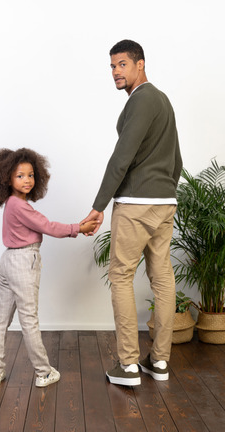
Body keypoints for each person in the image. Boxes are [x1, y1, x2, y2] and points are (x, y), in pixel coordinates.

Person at [81, 40, 182, 386]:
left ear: (140, 64)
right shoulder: (163, 101)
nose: (115, 72)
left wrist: (98, 207)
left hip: (136, 203)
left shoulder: (142, 100)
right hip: (164, 203)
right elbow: (177, 159)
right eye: (112, 66)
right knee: (163, 277)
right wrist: (165, 192)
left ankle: (127, 366)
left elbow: (121, 158)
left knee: (121, 275)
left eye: (122, 64)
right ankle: (161, 361)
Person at [0, 147, 98, 387]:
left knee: (1, 318)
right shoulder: (19, 206)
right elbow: (49, 227)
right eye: (20, 175)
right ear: (6, 178)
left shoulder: (12, 203)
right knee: (29, 319)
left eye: (31, 174)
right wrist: (79, 228)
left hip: (8, 261)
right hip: (23, 261)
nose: (27, 180)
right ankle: (43, 373)